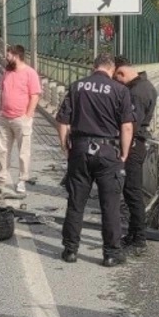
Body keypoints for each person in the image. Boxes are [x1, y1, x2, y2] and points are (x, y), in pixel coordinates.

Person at [56, 53, 136, 266]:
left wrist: (66, 146)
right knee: (110, 205)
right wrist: (124, 154)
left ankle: (70, 250)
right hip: (108, 152)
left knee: (76, 203)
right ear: (111, 69)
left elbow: (63, 121)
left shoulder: (77, 86)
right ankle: (111, 254)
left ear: (94, 67)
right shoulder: (120, 90)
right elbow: (127, 126)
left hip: (80, 149)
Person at [113, 56, 159, 257]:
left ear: (121, 72)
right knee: (131, 191)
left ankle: (139, 238)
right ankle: (133, 233)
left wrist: (124, 150)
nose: (116, 83)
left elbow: (130, 124)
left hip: (133, 145)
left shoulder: (137, 93)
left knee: (132, 192)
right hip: (135, 143)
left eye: (116, 78)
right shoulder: (143, 86)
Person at [0, 44, 42, 194]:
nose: (6, 57)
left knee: (23, 152)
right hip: (4, 117)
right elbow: (3, 91)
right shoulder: (7, 72)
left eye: (8, 55)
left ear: (16, 56)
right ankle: (1, 178)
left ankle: (22, 180)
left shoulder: (30, 73)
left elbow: (35, 96)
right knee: (2, 150)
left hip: (21, 119)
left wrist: (28, 116)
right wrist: (0, 111)